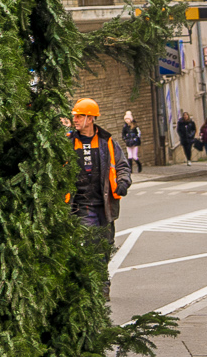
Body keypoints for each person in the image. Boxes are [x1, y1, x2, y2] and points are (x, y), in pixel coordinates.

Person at [66, 97, 130, 291]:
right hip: (80, 205)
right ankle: (94, 286)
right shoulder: (68, 142)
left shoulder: (107, 142)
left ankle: (101, 283)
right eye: (75, 116)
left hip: (105, 205)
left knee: (105, 245)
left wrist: (122, 183)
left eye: (79, 116)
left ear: (90, 118)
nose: (75, 119)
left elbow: (122, 167)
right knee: (89, 244)